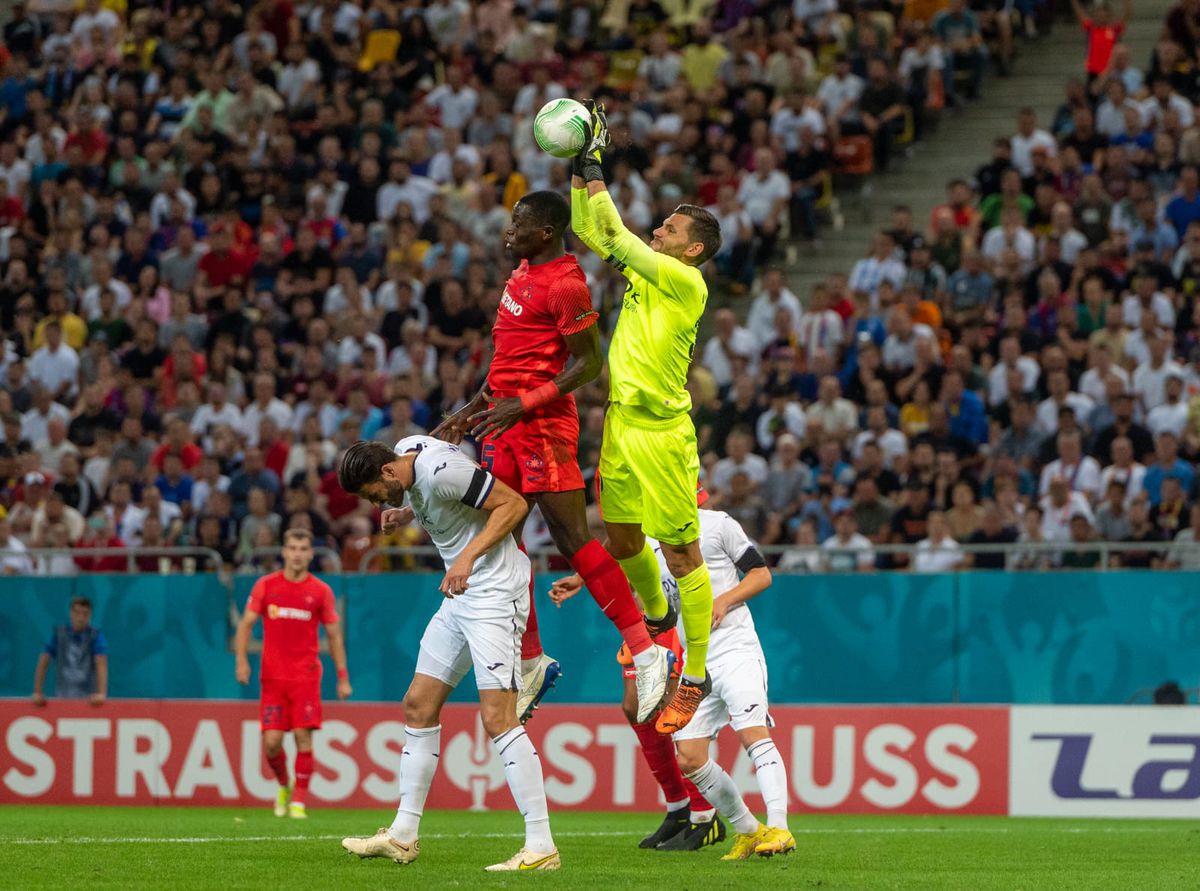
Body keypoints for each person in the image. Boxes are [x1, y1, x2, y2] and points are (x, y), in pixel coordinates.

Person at [432, 190, 665, 726]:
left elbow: (589, 363)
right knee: (502, 543)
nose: (509, 229)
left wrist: (524, 403)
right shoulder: (520, 273)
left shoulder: (566, 284)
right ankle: (533, 660)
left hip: (541, 427)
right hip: (502, 422)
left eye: (519, 223)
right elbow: (506, 355)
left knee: (570, 539)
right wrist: (471, 408)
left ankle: (648, 652)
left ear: (545, 232)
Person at [569, 102, 723, 735]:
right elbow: (594, 232)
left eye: (667, 229)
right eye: (658, 226)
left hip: (662, 433)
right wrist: (580, 171)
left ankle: (696, 674)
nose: (656, 232)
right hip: (621, 425)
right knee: (624, 538)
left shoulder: (686, 285)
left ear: (692, 250)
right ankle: (657, 630)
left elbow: (619, 235)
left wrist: (599, 162)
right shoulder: (648, 276)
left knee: (683, 554)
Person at [336, 438, 559, 871]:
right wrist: (407, 512)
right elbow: (434, 472)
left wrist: (467, 559)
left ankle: (541, 845)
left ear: (385, 473)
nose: (374, 502)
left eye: (372, 493)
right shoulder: (409, 452)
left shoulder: (443, 473)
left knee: (498, 719)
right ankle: (402, 835)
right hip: (460, 597)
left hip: (493, 593)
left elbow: (512, 505)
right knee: (418, 705)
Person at [550, 486, 794, 859]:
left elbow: (761, 575)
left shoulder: (718, 525)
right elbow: (616, 545)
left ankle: (779, 827)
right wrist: (582, 579)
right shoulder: (650, 543)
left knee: (752, 735)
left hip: (736, 649)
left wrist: (725, 600)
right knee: (691, 758)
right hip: (695, 662)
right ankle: (748, 830)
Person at [234, 528, 351, 819]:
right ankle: (284, 784)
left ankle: (298, 800)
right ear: (284, 552)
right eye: (293, 548)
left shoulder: (321, 591)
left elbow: (334, 636)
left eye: (303, 549)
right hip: (272, 679)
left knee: (303, 737)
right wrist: (241, 661)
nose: (298, 554)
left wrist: (343, 676)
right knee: (272, 743)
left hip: (305, 677)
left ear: (310, 554)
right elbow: (246, 624)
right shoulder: (266, 585)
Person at [32, 596, 107, 705]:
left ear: (90, 616)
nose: (81, 618)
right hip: (62, 698)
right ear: (70, 613)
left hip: (89, 702)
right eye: (77, 613)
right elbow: (44, 659)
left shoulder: (96, 636)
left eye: (85, 614)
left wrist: (101, 693)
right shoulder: (58, 633)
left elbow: (101, 662)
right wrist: (37, 691)